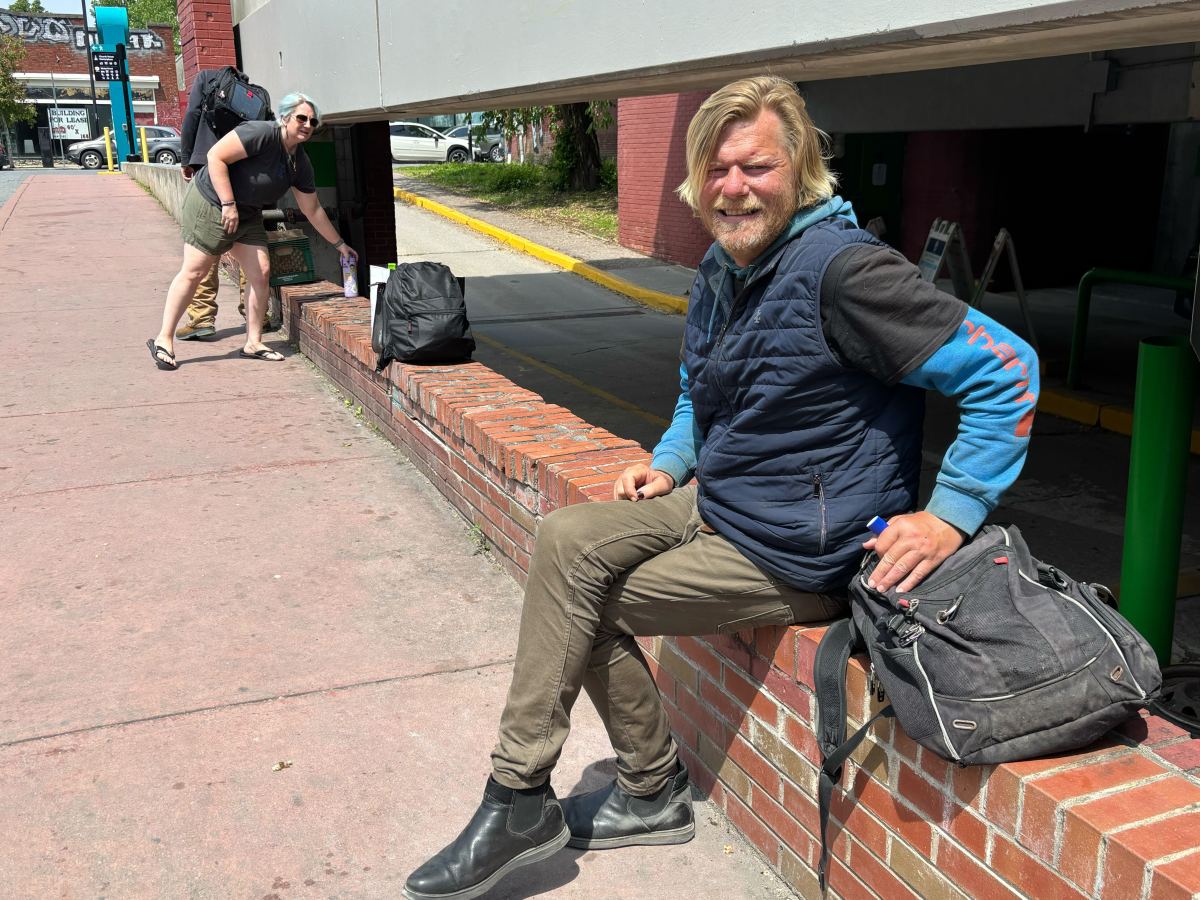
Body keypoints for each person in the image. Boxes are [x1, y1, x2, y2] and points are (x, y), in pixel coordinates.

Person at [402, 75, 1039, 900]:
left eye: (757, 167)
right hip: (725, 496)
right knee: (564, 542)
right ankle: (585, 793)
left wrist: (949, 516)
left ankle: (570, 790)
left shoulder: (848, 276)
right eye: (717, 170)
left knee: (583, 604)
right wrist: (670, 461)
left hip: (796, 550)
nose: (733, 188)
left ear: (802, 169)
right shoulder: (724, 266)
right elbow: (700, 387)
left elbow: (1010, 373)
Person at [147, 92, 356, 370]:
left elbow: (313, 210)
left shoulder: (300, 162)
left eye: (313, 121)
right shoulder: (261, 133)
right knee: (195, 271)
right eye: (301, 118)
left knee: (261, 271)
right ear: (285, 118)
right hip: (212, 203)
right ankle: (164, 339)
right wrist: (228, 203)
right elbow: (215, 156)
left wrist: (340, 244)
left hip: (248, 213)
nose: (307, 124)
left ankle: (253, 342)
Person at [176, 68, 264, 341]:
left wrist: (186, 157)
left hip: (209, 170)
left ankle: (201, 318)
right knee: (248, 244)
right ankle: (253, 312)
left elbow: (192, 115)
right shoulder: (253, 93)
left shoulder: (205, 79)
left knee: (204, 244)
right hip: (243, 174)